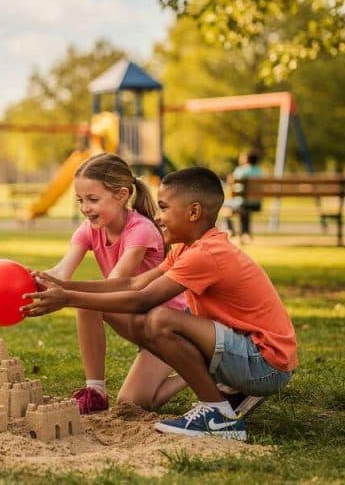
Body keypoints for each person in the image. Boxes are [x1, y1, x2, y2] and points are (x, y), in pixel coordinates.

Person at [23, 167, 297, 441]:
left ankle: (219, 416)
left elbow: (143, 300)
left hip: (266, 365)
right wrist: (62, 287)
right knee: (140, 378)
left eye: (164, 207)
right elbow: (132, 284)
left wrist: (67, 298)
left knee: (161, 319)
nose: (156, 215)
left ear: (193, 212)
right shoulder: (184, 248)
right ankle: (227, 396)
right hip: (248, 354)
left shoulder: (205, 253)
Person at [42, 153, 187, 414]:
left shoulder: (141, 230)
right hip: (139, 319)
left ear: (121, 196)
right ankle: (95, 391)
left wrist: (67, 294)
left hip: (170, 326)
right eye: (80, 200)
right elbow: (62, 271)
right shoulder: (89, 229)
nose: (85, 208)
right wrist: (38, 281)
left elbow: (118, 284)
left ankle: (199, 367)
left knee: (86, 304)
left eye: (93, 199)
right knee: (130, 403)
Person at [223, 150, 263, 244]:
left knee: (225, 206)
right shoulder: (259, 171)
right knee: (244, 210)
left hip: (242, 202)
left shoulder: (241, 170)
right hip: (256, 203)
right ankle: (246, 233)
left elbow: (234, 185)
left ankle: (230, 229)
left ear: (246, 159)